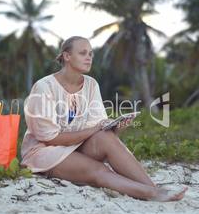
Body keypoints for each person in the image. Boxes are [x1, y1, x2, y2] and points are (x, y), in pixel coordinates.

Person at [21, 36, 187, 202]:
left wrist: (116, 128)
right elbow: (49, 139)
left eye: (91, 54)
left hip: (75, 146)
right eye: (83, 53)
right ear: (67, 56)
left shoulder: (91, 84)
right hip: (44, 151)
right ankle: (151, 194)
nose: (89, 58)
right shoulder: (45, 87)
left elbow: (97, 126)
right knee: (98, 169)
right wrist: (95, 129)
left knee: (106, 137)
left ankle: (154, 188)